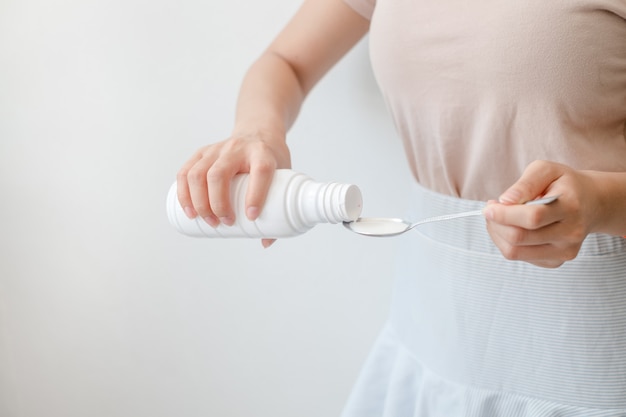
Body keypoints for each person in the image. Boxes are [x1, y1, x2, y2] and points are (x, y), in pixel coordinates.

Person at [177, 0, 626, 415]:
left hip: (590, 371)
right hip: (423, 347)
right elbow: (286, 63)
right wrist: (258, 130)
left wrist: (600, 204)